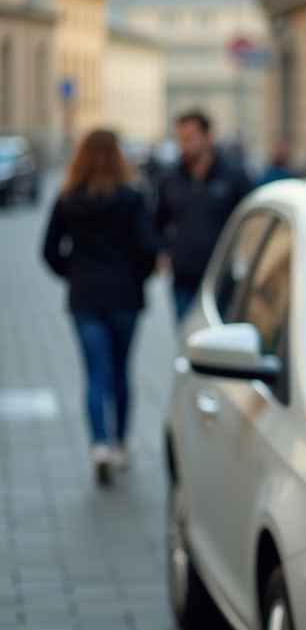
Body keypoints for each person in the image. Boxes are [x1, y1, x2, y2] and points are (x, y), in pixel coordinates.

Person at [42, 129, 160, 485]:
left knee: (96, 375)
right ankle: (122, 443)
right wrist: (136, 277)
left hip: (86, 298)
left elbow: (49, 251)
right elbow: (148, 249)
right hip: (124, 297)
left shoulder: (67, 198)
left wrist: (74, 273)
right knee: (121, 371)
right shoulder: (131, 198)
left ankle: (99, 445)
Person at [156, 110, 252, 321]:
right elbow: (156, 221)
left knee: (222, 342)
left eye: (190, 138)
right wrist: (161, 252)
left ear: (208, 137)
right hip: (183, 279)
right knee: (188, 340)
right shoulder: (169, 179)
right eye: (181, 139)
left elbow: (249, 220)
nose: (184, 145)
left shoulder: (233, 175)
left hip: (223, 279)